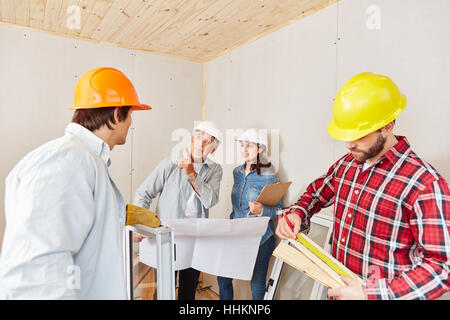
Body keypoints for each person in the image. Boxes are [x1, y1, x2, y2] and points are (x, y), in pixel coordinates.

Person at [276, 72, 450, 300]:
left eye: (359, 135)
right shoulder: (347, 164)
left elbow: (441, 268)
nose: (349, 144)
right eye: (346, 134)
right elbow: (315, 194)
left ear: (387, 126)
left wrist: (371, 294)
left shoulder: (425, 184)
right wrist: (297, 213)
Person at [0, 67, 160, 299]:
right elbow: (38, 275)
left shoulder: (83, 161)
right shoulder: (68, 160)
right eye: (130, 114)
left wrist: (114, 227)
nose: (131, 123)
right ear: (117, 115)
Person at [134, 121, 223, 300]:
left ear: (213, 149)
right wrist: (140, 225)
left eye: (207, 141)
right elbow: (144, 193)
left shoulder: (215, 170)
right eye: (198, 138)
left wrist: (192, 175)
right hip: (168, 237)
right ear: (190, 141)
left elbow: (210, 200)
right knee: (164, 291)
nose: (201, 143)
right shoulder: (171, 163)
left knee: (188, 291)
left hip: (195, 238)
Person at [217, 128, 282, 300]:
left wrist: (262, 210)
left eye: (250, 146)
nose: (244, 150)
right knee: (223, 277)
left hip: (260, 239)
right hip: (235, 234)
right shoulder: (237, 172)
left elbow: (279, 211)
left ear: (260, 149)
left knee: (257, 284)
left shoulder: (269, 175)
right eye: (242, 145)